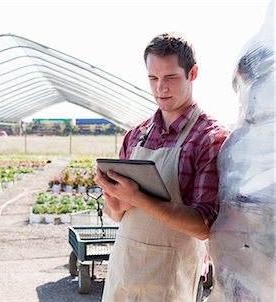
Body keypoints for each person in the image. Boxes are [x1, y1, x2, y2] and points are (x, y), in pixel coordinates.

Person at [96, 32, 230, 302]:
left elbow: (203, 225)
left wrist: (139, 198)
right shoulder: (136, 134)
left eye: (170, 78)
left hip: (170, 280)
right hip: (123, 273)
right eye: (153, 79)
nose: (161, 89)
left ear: (193, 73)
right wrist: (116, 202)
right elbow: (115, 214)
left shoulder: (209, 137)